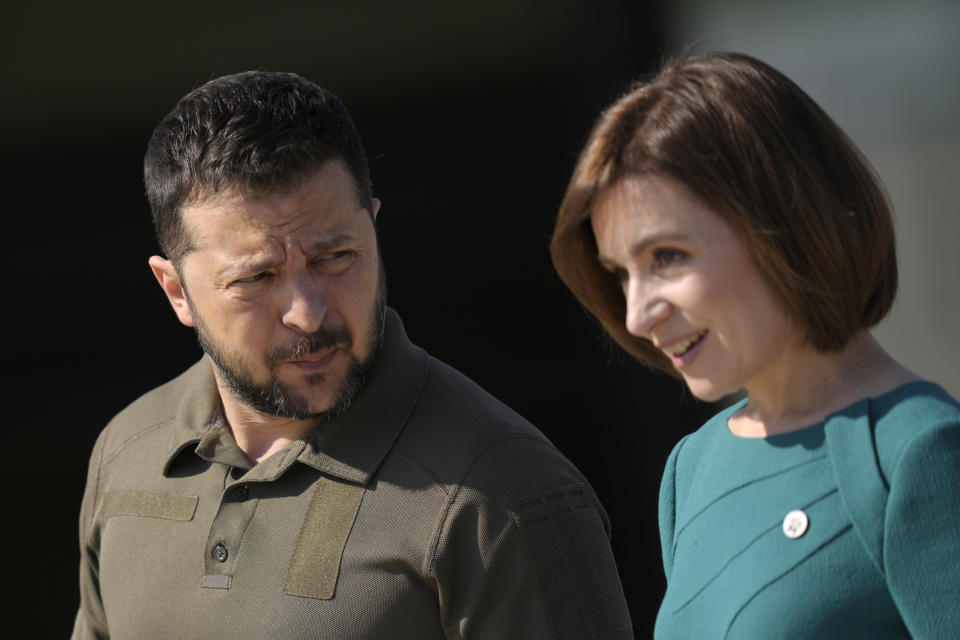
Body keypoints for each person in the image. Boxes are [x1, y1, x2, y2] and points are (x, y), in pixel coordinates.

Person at [72, 71, 633, 639]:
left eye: (335, 257)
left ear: (375, 231)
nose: (308, 313)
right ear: (176, 292)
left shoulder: (501, 489)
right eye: (257, 278)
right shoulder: (127, 451)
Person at [550, 52, 960, 638]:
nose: (636, 315)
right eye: (620, 273)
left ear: (785, 224)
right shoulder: (690, 470)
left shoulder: (919, 452)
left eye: (667, 257)